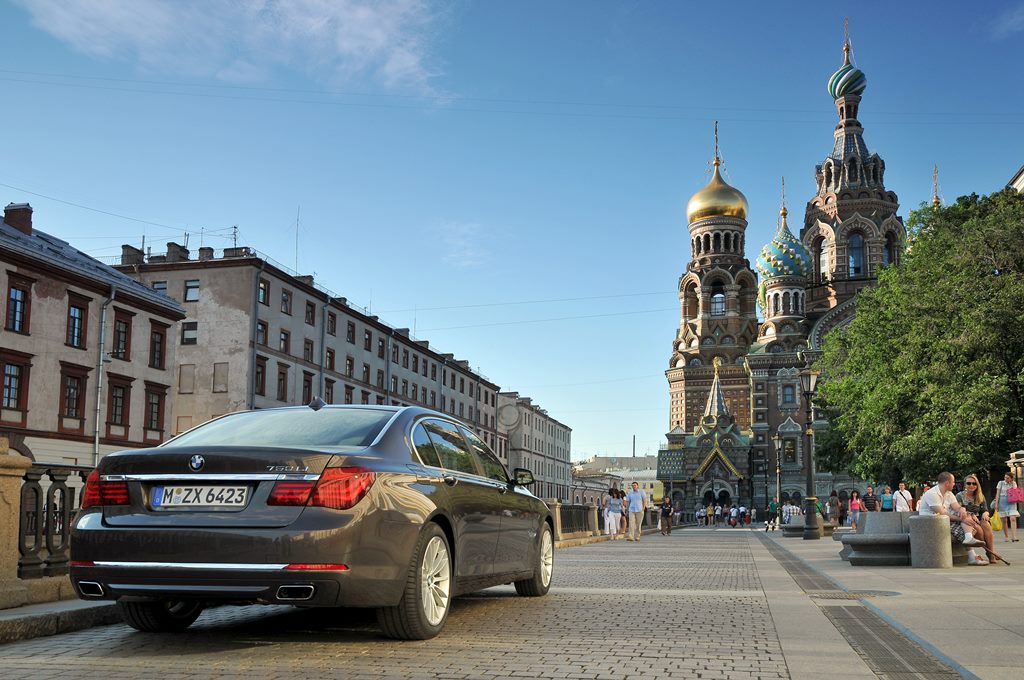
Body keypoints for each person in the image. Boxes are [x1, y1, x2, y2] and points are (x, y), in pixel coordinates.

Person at [920, 472, 1007, 566]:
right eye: (953, 482)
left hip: (945, 521)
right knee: (966, 522)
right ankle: (977, 553)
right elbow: (942, 513)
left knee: (968, 518)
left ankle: (971, 545)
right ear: (947, 483)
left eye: (974, 483)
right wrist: (963, 518)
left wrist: (962, 509)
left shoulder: (948, 494)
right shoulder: (932, 494)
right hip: (931, 524)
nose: (954, 484)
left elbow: (957, 507)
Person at [956, 473, 1000, 565]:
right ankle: (991, 552)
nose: (971, 485)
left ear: (977, 485)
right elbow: (959, 511)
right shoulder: (959, 496)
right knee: (980, 531)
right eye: (969, 483)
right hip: (968, 521)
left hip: (980, 520)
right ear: (965, 484)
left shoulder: (980, 496)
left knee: (986, 524)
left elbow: (985, 510)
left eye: (974, 483)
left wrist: (985, 513)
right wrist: (971, 515)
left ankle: (990, 554)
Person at [994, 472, 1020, 542]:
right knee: (1004, 520)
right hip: (1002, 502)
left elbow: (1015, 492)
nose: (1005, 479)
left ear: (1011, 478)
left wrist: (1012, 484)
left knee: (1013, 518)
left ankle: (1014, 536)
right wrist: (996, 504)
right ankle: (1006, 536)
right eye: (1005, 477)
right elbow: (997, 494)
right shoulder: (1000, 483)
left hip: (1011, 502)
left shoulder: (1013, 483)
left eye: (1007, 478)